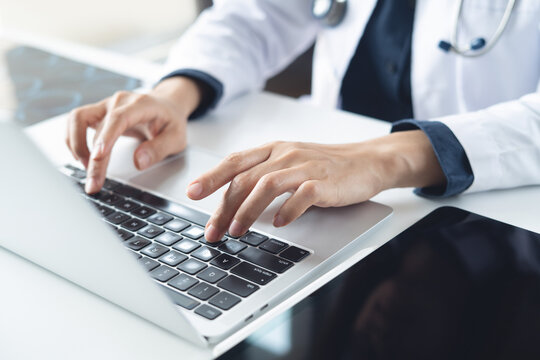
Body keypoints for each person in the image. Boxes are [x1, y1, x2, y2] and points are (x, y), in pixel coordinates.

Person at [65, 0, 540, 243]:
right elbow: (259, 13)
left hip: (483, 214)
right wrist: (177, 91)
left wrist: (386, 158)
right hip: (323, 191)